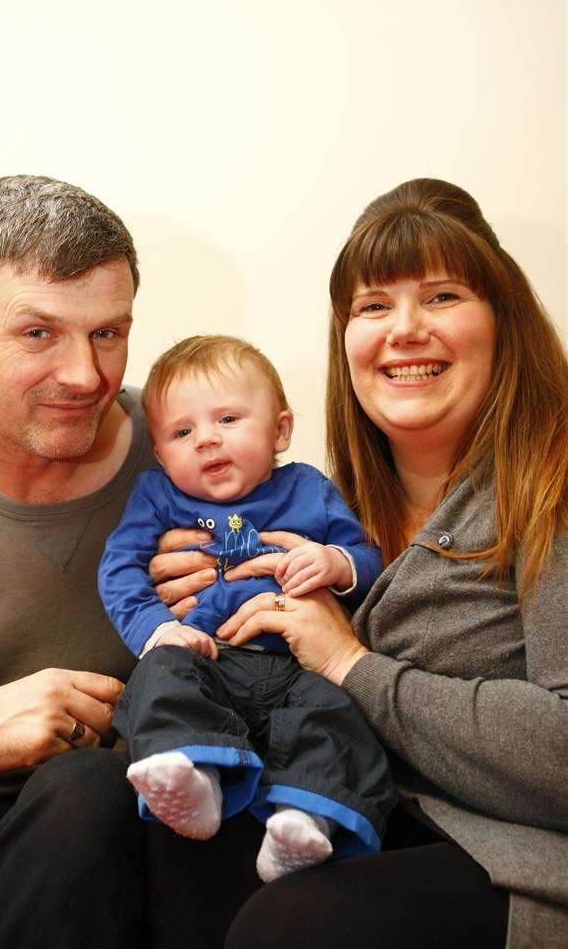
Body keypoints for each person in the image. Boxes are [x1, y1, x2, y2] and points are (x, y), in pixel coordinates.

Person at [200, 179, 566, 949]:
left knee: (291, 927)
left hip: (516, 864)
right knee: (125, 811)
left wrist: (350, 663)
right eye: (372, 306)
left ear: (503, 322)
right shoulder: (318, 511)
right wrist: (200, 605)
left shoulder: (552, 489)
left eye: (440, 296)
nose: (403, 330)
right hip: (359, 816)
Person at [0, 174, 164, 947]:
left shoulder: (201, 461)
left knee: (85, 792)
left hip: (120, 838)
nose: (86, 377)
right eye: (38, 333)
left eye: (108, 333)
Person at [98, 335, 395, 881]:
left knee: (335, 712)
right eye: (182, 433)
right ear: (161, 455)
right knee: (159, 677)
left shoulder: (309, 488)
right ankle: (190, 775)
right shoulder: (158, 496)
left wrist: (334, 562)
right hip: (208, 656)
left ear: (280, 429)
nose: (206, 440)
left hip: (296, 664)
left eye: (228, 419)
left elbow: (370, 560)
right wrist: (157, 630)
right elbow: (118, 568)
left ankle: (305, 820)